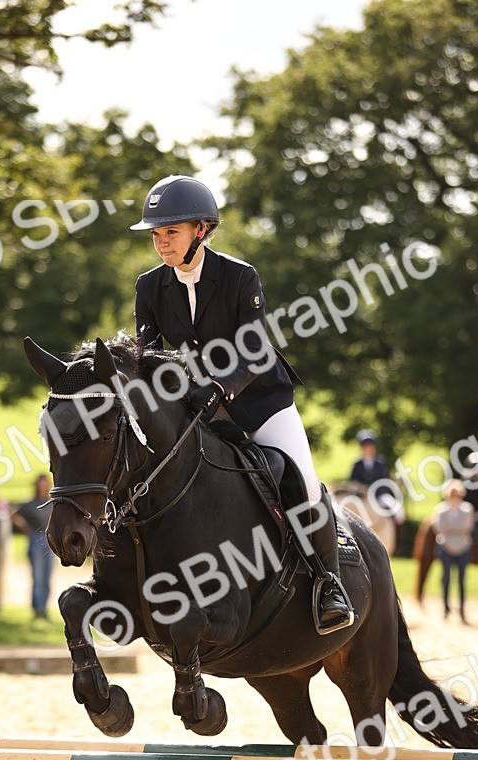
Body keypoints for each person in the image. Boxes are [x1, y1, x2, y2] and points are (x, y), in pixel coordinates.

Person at [131, 173, 353, 635]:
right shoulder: (149, 287)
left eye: (170, 232)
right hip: (196, 406)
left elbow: (254, 350)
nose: (161, 244)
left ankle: (328, 583)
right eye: (156, 234)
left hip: (258, 402)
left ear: (202, 230)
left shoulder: (238, 276)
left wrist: (220, 388)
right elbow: (148, 356)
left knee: (303, 480)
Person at [431, 480, 475, 622]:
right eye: (452, 494)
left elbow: (467, 526)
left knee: (461, 580)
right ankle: (445, 607)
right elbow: (438, 527)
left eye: (456, 494)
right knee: (446, 579)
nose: (454, 497)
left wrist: (450, 526)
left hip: (462, 548)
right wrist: (456, 527)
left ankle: (462, 608)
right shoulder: (441, 509)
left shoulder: (467, 509)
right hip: (446, 548)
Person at [12, 475, 54, 619]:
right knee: (37, 576)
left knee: (47, 577)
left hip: (50, 542)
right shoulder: (30, 504)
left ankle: (44, 608)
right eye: (40, 484)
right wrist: (25, 528)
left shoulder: (52, 503)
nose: (42, 487)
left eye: (44, 484)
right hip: (35, 540)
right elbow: (13, 513)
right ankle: (37, 609)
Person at [349, 430, 390, 504]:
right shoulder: (357, 464)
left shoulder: (380, 463)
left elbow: (385, 482)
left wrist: (373, 492)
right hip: (361, 497)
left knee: (394, 507)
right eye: (366, 447)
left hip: (379, 496)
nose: (368, 449)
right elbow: (352, 482)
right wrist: (361, 489)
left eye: (370, 446)